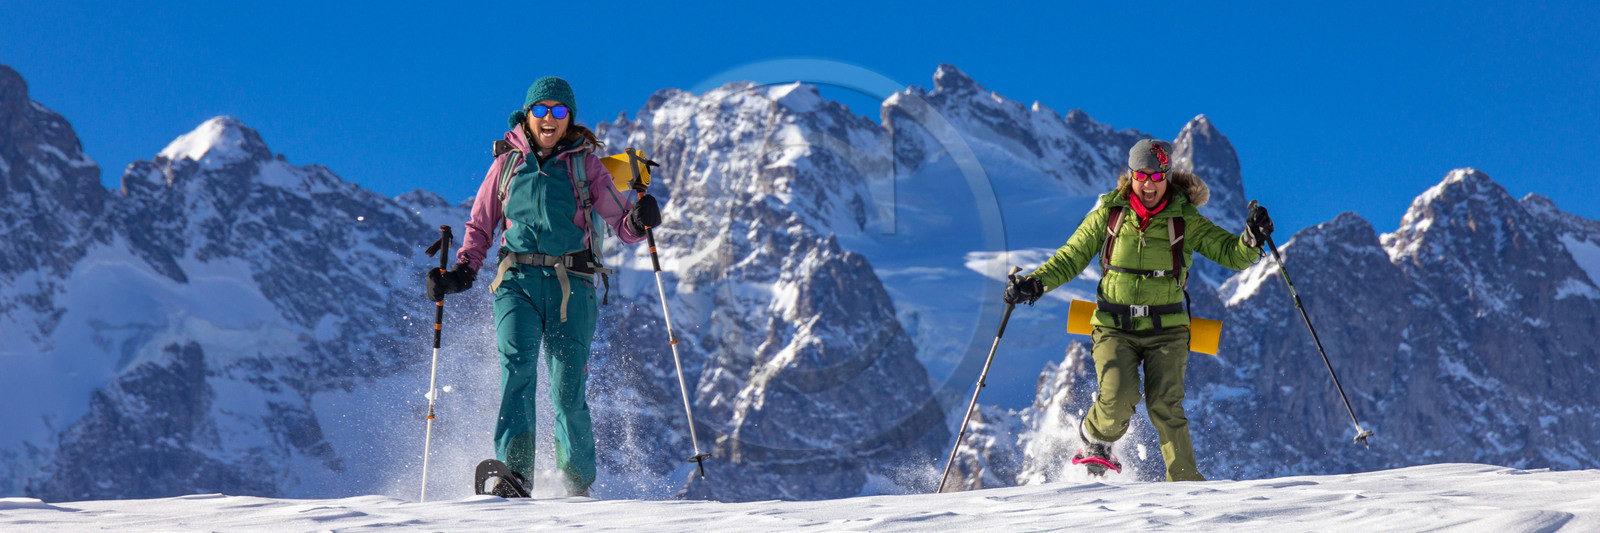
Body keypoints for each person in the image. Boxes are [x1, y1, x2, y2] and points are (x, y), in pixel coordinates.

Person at [426, 76, 660, 496]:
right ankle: (514, 476)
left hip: (574, 285)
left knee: (567, 388)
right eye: (540, 110)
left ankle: (574, 484)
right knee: (517, 372)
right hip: (516, 281)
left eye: (558, 111)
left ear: (569, 118)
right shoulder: (506, 164)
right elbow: (480, 224)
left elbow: (622, 226)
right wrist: (463, 271)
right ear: (527, 115)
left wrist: (640, 220)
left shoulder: (585, 165)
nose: (548, 118)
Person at [1004, 138, 1273, 481]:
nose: (1149, 185)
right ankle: (1095, 437)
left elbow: (1230, 253)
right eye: (1141, 176)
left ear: (1167, 176)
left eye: (1157, 176)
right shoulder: (1109, 213)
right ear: (1130, 175)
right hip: (1114, 326)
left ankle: (1187, 483)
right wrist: (1036, 283)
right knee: (1118, 396)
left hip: (1169, 329)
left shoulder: (1184, 219)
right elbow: (1071, 256)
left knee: (1166, 406)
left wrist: (1251, 238)